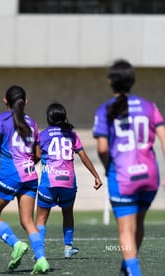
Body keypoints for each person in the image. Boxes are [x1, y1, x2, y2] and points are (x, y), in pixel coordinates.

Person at [93, 59, 165, 275]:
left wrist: (108, 168)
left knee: (126, 229)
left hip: (123, 178)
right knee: (138, 224)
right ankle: (127, 268)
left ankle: (133, 271)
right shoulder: (150, 106)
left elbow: (103, 149)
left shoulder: (104, 110)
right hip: (150, 176)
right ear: (132, 81)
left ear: (109, 82)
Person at [0, 85, 50, 273]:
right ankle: (42, 259)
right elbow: (37, 155)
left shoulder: (1, 119)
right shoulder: (33, 122)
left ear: (5, 101)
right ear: (25, 101)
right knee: (28, 221)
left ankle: (16, 244)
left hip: (10, 175)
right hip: (30, 175)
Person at [36, 102, 103, 259]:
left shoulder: (42, 135)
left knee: (41, 218)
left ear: (48, 118)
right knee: (67, 213)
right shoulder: (72, 135)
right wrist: (96, 176)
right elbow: (84, 156)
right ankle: (68, 248)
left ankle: (39, 252)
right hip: (68, 182)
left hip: (49, 182)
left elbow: (36, 157)